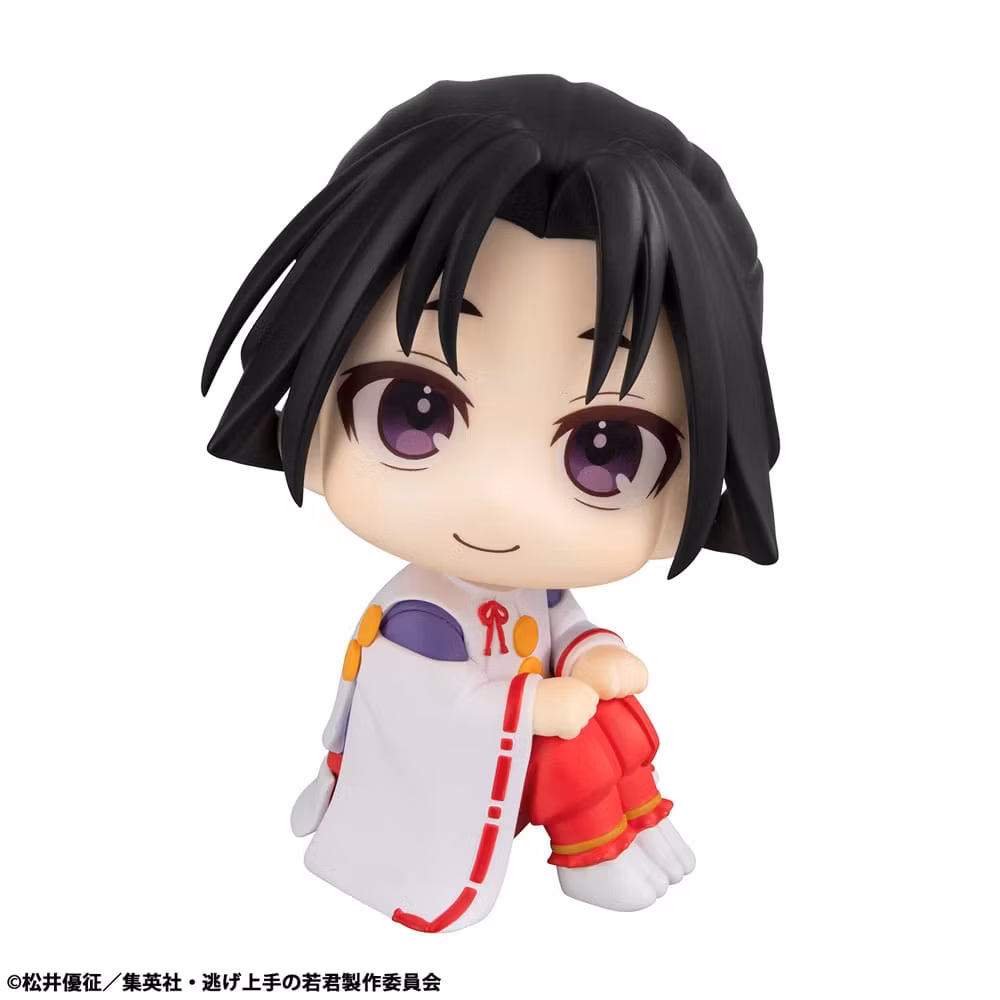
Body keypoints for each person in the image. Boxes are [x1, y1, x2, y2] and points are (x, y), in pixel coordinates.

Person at [202, 75, 779, 932]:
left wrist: (591, 651)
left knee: (616, 724)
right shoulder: (422, 616)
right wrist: (530, 708)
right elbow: (413, 705)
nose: (501, 499)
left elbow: (559, 622)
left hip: (496, 760)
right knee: (571, 754)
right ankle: (594, 853)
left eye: (605, 450)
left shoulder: (534, 592)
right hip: (440, 777)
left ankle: (637, 823)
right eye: (414, 410)